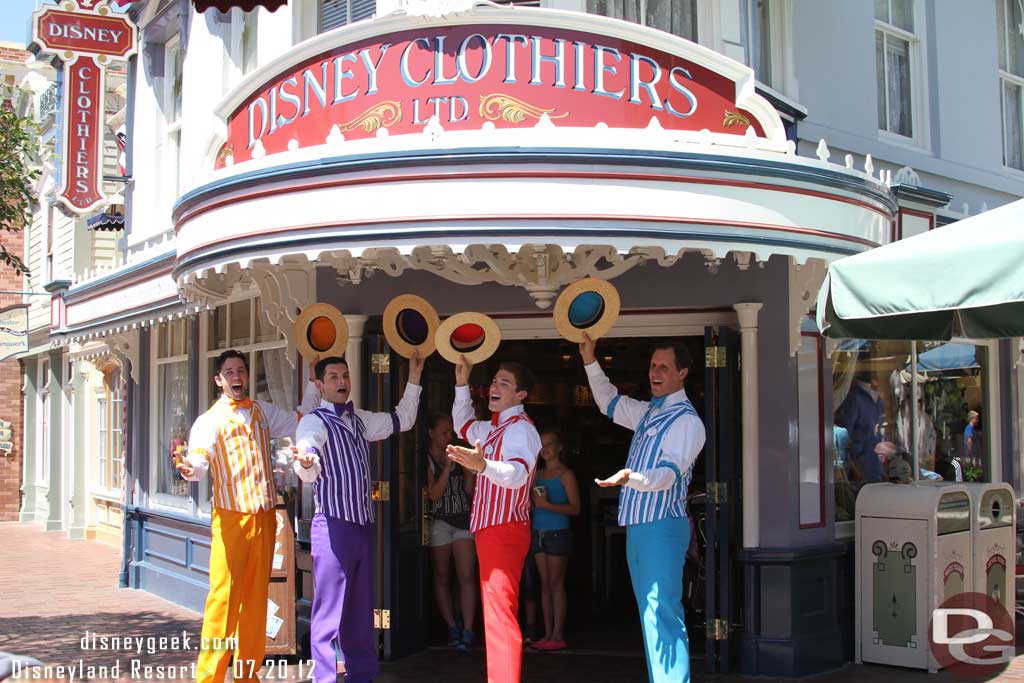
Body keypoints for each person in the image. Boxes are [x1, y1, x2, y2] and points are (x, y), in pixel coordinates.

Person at [176, 349, 317, 683]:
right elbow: (199, 461)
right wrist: (188, 470)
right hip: (231, 519)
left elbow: (300, 418)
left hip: (265, 517)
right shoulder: (209, 421)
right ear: (218, 380)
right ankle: (209, 677)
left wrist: (312, 381)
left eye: (240, 371)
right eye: (229, 372)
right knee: (224, 598)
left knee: (256, 602)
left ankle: (246, 675)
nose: (236, 377)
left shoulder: (261, 412)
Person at [580, 333, 705, 683]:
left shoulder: (687, 421)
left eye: (664, 367)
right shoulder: (649, 411)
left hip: (662, 526)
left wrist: (631, 478)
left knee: (661, 613)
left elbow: (668, 474)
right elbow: (608, 402)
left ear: (683, 372)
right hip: (641, 527)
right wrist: (589, 359)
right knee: (651, 614)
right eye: (653, 365)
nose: (656, 372)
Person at [294, 353, 424, 683]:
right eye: (334, 377)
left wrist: (415, 376)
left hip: (363, 527)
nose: (342, 382)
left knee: (360, 613)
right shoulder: (314, 421)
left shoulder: (360, 419)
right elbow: (308, 453)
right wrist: (307, 463)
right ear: (320, 385)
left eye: (345, 375)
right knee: (328, 614)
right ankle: (324, 678)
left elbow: (403, 419)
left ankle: (362, 675)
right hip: (333, 527)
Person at [446, 356, 541, 683]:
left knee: (499, 615)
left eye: (505, 383)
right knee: (496, 613)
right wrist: (461, 383)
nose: (495, 388)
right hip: (491, 530)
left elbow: (518, 474)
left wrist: (483, 466)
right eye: (494, 381)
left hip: (505, 528)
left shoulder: (521, 430)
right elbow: (462, 424)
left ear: (521, 395)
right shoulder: (493, 427)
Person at [424, 412, 478, 651]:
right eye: (444, 432)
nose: (449, 437)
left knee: (466, 576)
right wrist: (446, 469)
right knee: (442, 576)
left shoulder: (457, 453)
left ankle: (468, 629)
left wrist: (468, 474)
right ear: (432, 433)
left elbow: (468, 494)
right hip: (440, 522)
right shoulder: (428, 459)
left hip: (463, 520)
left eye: (451, 433)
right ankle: (451, 626)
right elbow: (433, 495)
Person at [529, 428, 580, 652]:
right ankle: (547, 632)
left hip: (558, 532)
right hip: (538, 532)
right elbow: (531, 506)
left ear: (559, 447)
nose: (545, 449)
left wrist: (547, 505)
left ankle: (557, 634)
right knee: (545, 584)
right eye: (542, 444)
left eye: (550, 444)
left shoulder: (566, 474)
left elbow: (576, 508)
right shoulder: (536, 474)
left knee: (555, 583)